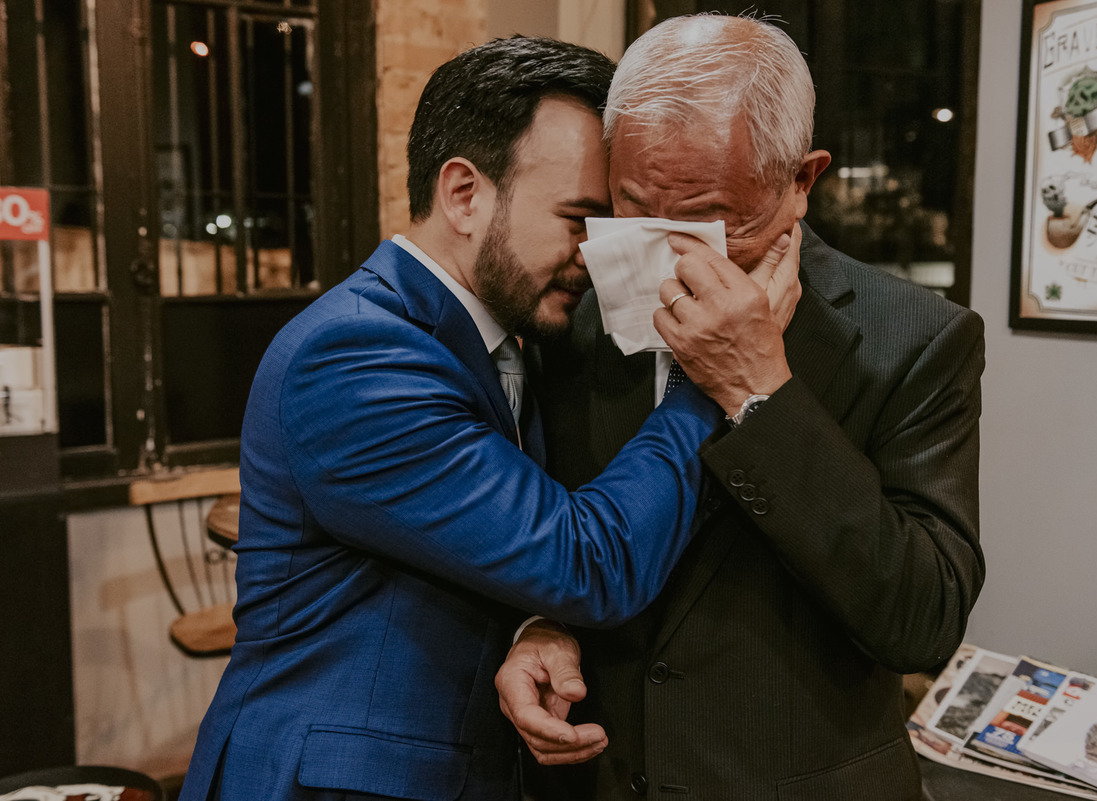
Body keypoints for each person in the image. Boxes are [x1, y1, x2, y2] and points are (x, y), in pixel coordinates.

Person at [179, 36, 797, 801]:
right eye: (578, 218)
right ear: (464, 193)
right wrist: (709, 374)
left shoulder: (509, 336)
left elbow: (479, 550)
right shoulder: (355, 355)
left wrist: (527, 628)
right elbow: (585, 562)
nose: (596, 257)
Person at [495, 14, 987, 800]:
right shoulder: (569, 318)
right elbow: (535, 530)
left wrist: (762, 392)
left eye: (710, 218)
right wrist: (533, 630)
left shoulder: (916, 339)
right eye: (635, 206)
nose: (669, 250)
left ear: (802, 180)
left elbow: (921, 619)